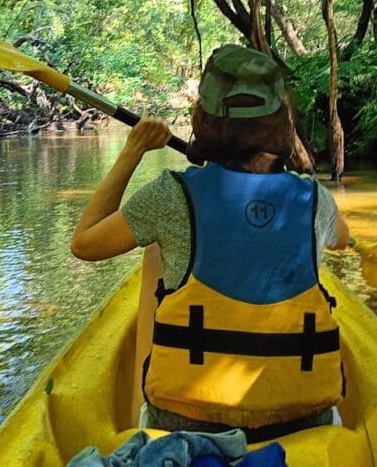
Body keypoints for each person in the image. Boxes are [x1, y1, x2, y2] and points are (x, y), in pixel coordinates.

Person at [70, 44, 349, 439]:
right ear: (280, 123)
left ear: (204, 120)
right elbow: (342, 239)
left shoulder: (169, 195)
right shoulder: (314, 201)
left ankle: (138, 424)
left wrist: (132, 151)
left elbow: (84, 243)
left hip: (189, 424)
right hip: (303, 420)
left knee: (156, 251)